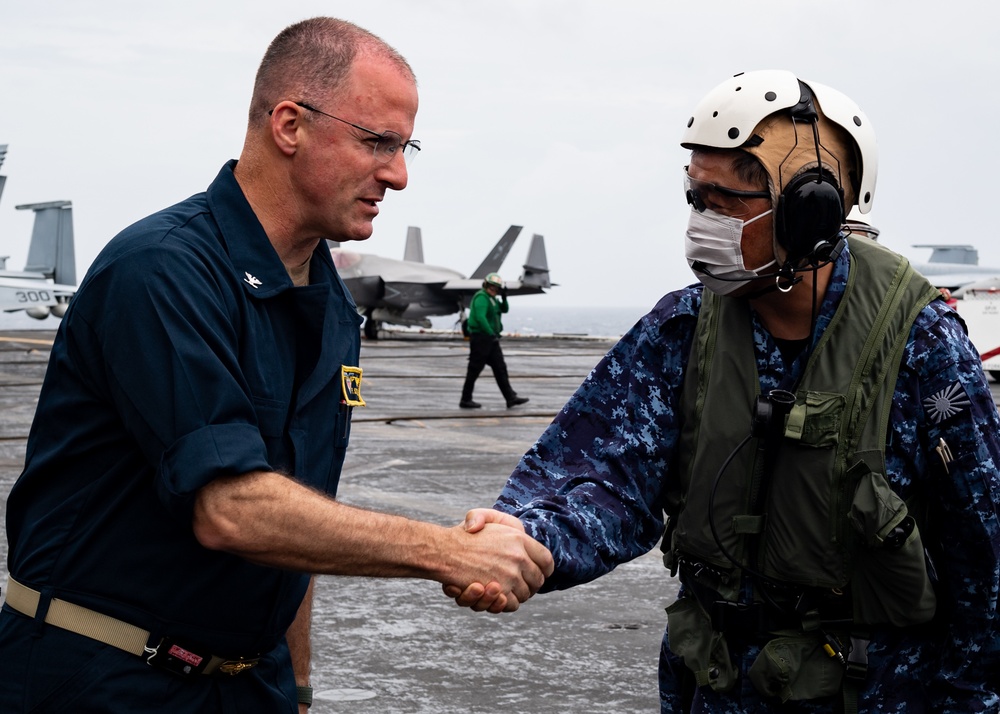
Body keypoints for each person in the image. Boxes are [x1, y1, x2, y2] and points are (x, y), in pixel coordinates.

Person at [0, 17, 552, 713]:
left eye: (405, 146)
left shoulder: (328, 306)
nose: (399, 174)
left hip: (247, 684)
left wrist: (296, 686)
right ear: (289, 125)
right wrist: (449, 551)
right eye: (377, 141)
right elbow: (233, 509)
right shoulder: (163, 271)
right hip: (105, 679)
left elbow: (297, 515)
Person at [451, 70, 1000, 711]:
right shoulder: (682, 327)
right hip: (710, 684)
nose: (701, 221)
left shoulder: (920, 343)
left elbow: (981, 550)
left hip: (869, 691)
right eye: (695, 198)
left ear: (810, 213)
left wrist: (971, 698)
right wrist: (522, 540)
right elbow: (601, 476)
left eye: (726, 201)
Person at [459, 271, 529, 409]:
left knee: (500, 368)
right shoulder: (481, 298)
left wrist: (504, 297)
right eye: (492, 286)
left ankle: (510, 398)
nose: (494, 289)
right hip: (481, 339)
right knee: (474, 370)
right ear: (486, 285)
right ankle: (465, 399)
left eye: (496, 287)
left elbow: (504, 309)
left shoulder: (492, 299)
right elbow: (480, 317)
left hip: (490, 339)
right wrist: (490, 333)